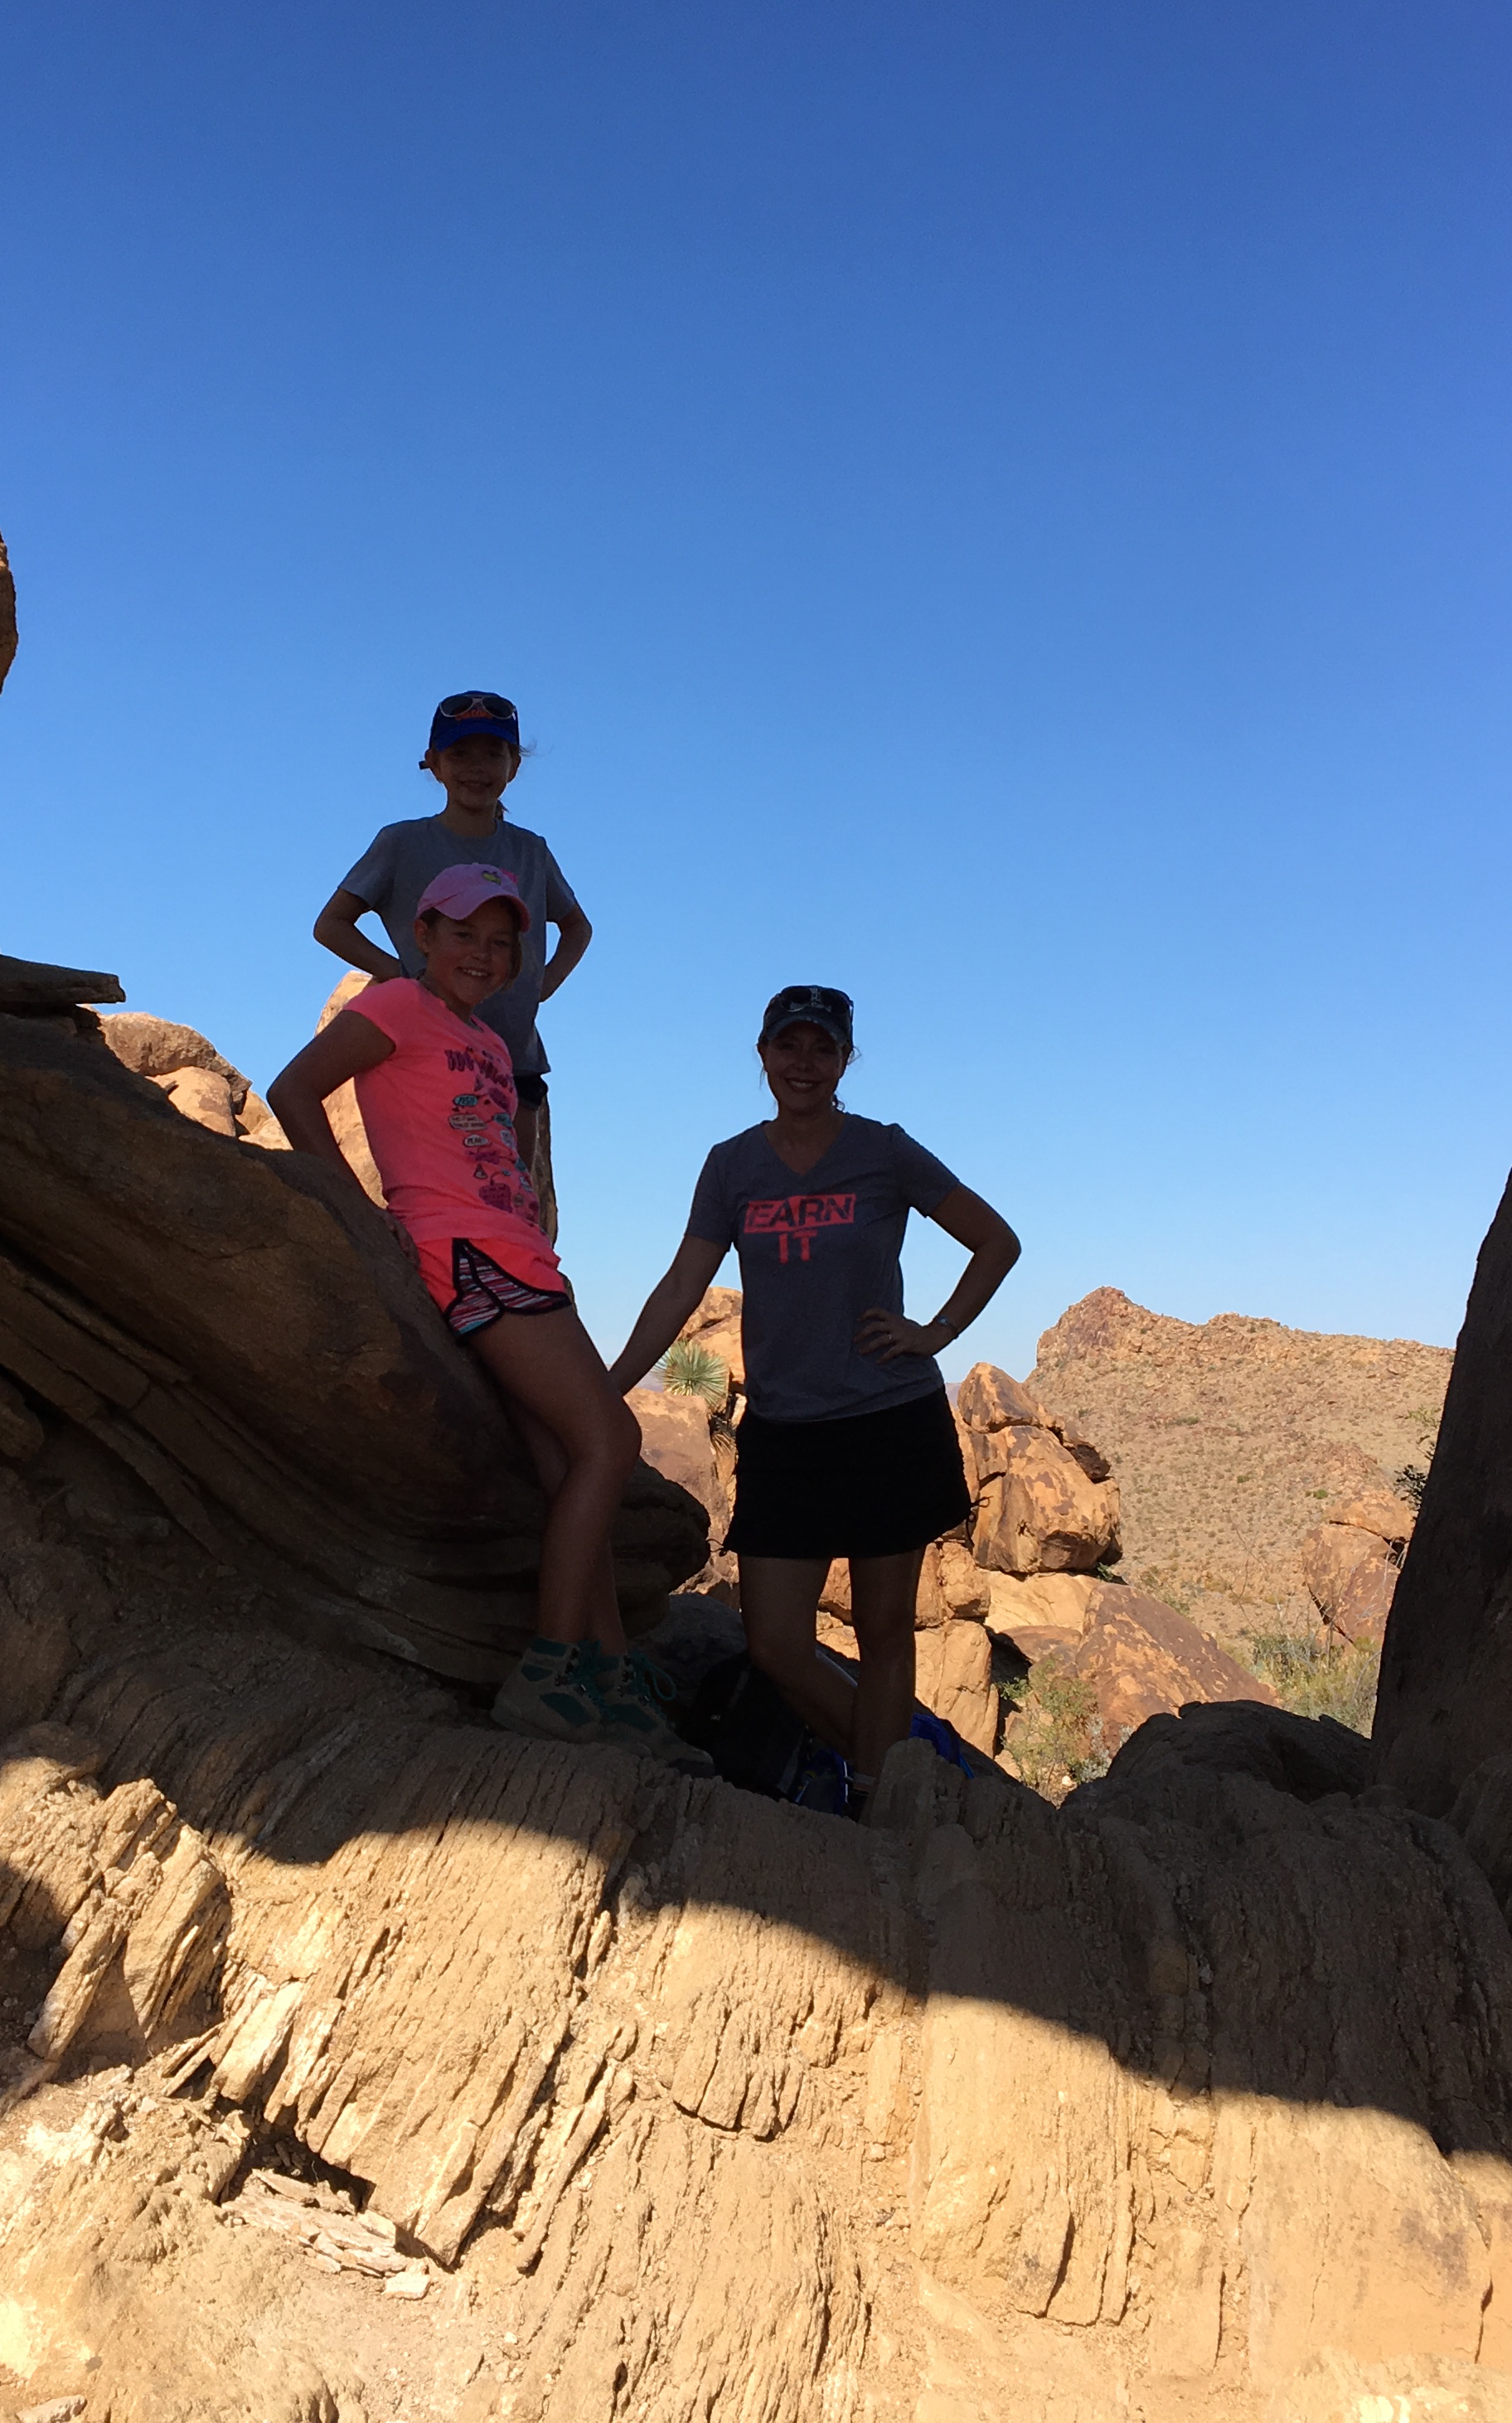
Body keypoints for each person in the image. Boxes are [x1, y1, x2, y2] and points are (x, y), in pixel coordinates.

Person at [269, 861, 710, 1775]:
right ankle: (549, 1673)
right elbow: (293, 1091)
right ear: (422, 934)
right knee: (610, 1443)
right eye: (464, 933)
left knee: (567, 1465)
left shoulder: (489, 1043)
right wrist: (361, 1215)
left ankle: (609, 1680)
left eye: (501, 942)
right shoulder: (395, 1004)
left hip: (519, 1254)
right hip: (468, 1254)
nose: (483, 953)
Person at [608, 986, 1021, 1782]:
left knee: (884, 1631)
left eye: (823, 1048)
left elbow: (996, 1241)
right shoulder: (732, 1165)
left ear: (845, 1060)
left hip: (887, 1420)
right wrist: (612, 1383)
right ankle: (899, 1776)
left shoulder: (884, 1151)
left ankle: (877, 1799)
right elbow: (682, 1284)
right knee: (776, 1644)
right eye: (789, 1045)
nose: (804, 1062)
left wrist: (936, 1332)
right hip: (785, 1432)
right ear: (763, 1054)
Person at [314, 691, 589, 1223]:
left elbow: (577, 925)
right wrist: (402, 977)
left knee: (510, 1206)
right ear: (434, 764)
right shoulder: (402, 844)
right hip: (430, 1059)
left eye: (493, 754)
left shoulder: (530, 851)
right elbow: (331, 924)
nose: (477, 768)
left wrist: (542, 984)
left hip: (515, 1056)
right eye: (460, 754)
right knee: (439, 1203)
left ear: (513, 767)